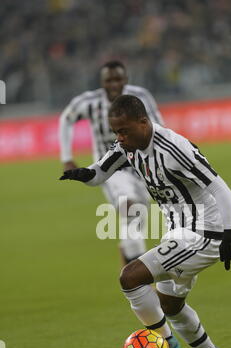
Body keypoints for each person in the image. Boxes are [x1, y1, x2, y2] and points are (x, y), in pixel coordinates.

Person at [60, 95, 231, 348]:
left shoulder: (174, 148)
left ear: (143, 122)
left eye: (124, 131)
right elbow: (100, 172)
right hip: (177, 231)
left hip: (204, 232)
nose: (119, 138)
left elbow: (220, 188)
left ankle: (166, 341)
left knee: (130, 277)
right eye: (116, 132)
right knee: (169, 304)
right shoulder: (127, 145)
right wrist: (83, 174)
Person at [59, 61, 164, 265]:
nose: (114, 84)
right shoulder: (90, 102)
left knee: (137, 219)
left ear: (126, 80)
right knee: (130, 209)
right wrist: (67, 157)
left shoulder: (140, 97)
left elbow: (159, 125)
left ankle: (129, 265)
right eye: (109, 80)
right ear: (102, 82)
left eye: (118, 79)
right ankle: (143, 278)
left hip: (142, 167)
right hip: (111, 169)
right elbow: (66, 118)